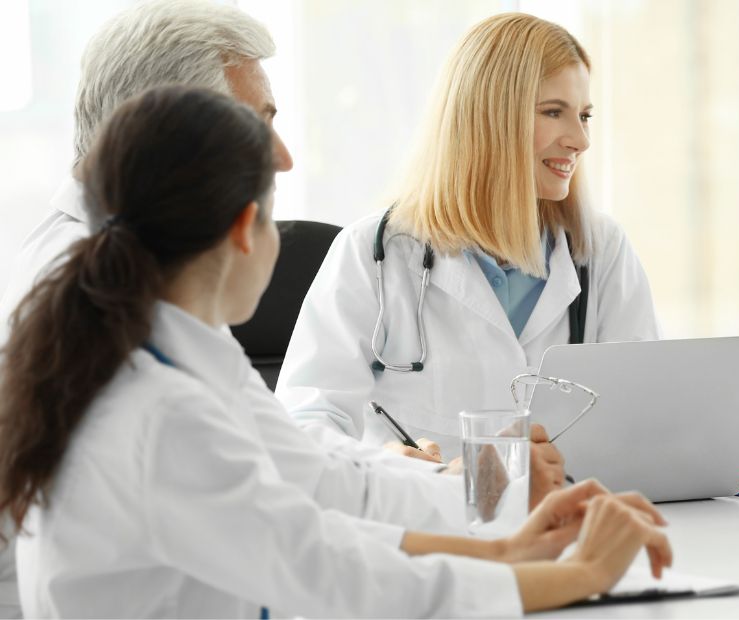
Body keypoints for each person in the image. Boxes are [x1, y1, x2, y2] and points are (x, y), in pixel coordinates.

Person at [1, 84, 671, 617]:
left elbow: (322, 485)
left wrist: (503, 540)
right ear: (243, 230)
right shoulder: (160, 412)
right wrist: (580, 574)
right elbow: (328, 571)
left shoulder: (180, 358)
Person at [276, 13, 660, 475]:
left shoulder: (599, 251)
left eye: (584, 116)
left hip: (563, 523)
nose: (580, 139)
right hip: (417, 525)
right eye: (554, 112)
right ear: (489, 117)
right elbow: (303, 429)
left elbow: (645, 413)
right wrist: (392, 466)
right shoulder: (374, 252)